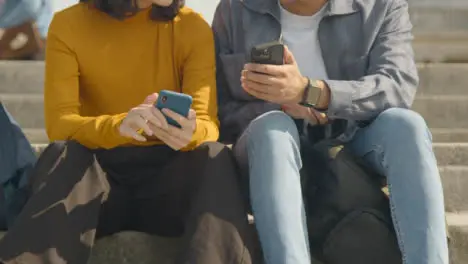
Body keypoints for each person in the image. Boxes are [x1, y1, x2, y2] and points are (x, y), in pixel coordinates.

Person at [0, 0, 259, 263]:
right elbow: (60, 124)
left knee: (214, 157)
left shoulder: (192, 27)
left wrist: (190, 132)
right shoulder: (68, 24)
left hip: (168, 185)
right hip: (93, 187)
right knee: (64, 153)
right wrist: (119, 126)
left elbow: (207, 124)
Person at [213, 0, 449, 264]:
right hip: (269, 148)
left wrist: (313, 93)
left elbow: (397, 85)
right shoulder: (235, 8)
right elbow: (219, 111)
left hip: (354, 139)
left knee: (408, 126)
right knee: (273, 129)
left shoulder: (381, 6)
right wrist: (281, 105)